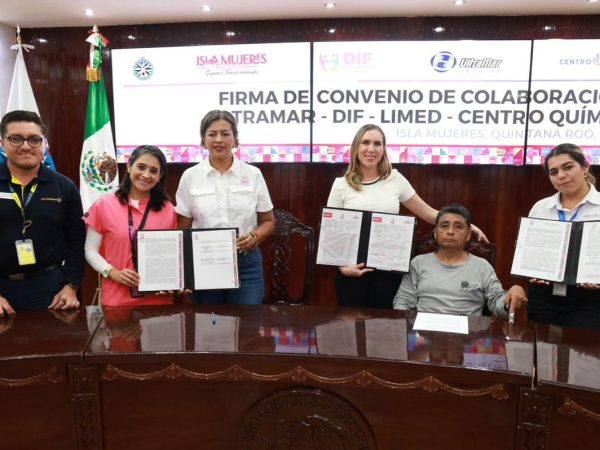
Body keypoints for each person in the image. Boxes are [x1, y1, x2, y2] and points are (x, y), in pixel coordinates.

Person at [327, 124, 487, 308]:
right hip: (352, 271)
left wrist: (469, 226)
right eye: (365, 142)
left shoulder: (395, 179)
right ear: (356, 147)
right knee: (351, 323)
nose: (371, 149)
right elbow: (332, 232)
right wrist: (343, 267)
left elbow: (429, 213)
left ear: (383, 149)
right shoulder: (341, 185)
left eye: (377, 144)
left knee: (385, 323)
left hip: (388, 271)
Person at [175, 110, 275, 305]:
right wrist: (185, 271)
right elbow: (183, 228)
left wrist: (254, 237)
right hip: (204, 263)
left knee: (247, 322)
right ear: (203, 139)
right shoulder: (190, 176)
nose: (218, 139)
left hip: (246, 263)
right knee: (209, 322)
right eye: (212, 134)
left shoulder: (253, 174)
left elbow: (269, 221)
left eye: (225, 133)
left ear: (235, 138)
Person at [0, 110, 85, 316]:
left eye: (34, 139)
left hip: (50, 289)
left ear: (44, 143)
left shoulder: (64, 187)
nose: (26, 146)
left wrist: (71, 285)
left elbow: (77, 240)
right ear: (2, 143)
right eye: (16, 139)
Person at [393, 204, 527, 317]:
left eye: (458, 226)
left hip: (467, 335)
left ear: (468, 235)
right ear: (435, 233)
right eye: (444, 225)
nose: (450, 231)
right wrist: (409, 329)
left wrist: (510, 297)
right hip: (424, 333)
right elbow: (403, 301)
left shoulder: (482, 266)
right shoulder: (418, 263)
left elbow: (497, 302)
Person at [83, 145, 177, 306]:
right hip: (117, 301)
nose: (146, 175)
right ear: (129, 166)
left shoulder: (168, 209)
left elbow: (174, 253)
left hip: (159, 301)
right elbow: (90, 249)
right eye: (141, 167)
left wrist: (176, 282)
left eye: (153, 171)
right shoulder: (104, 204)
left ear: (160, 176)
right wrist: (112, 272)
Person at [527, 143, 600, 329]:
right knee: (539, 344)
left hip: (591, 297)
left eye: (568, 167)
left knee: (582, 345)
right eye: (554, 172)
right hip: (543, 293)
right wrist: (531, 270)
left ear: (585, 167)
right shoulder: (541, 208)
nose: (561, 175)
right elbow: (530, 250)